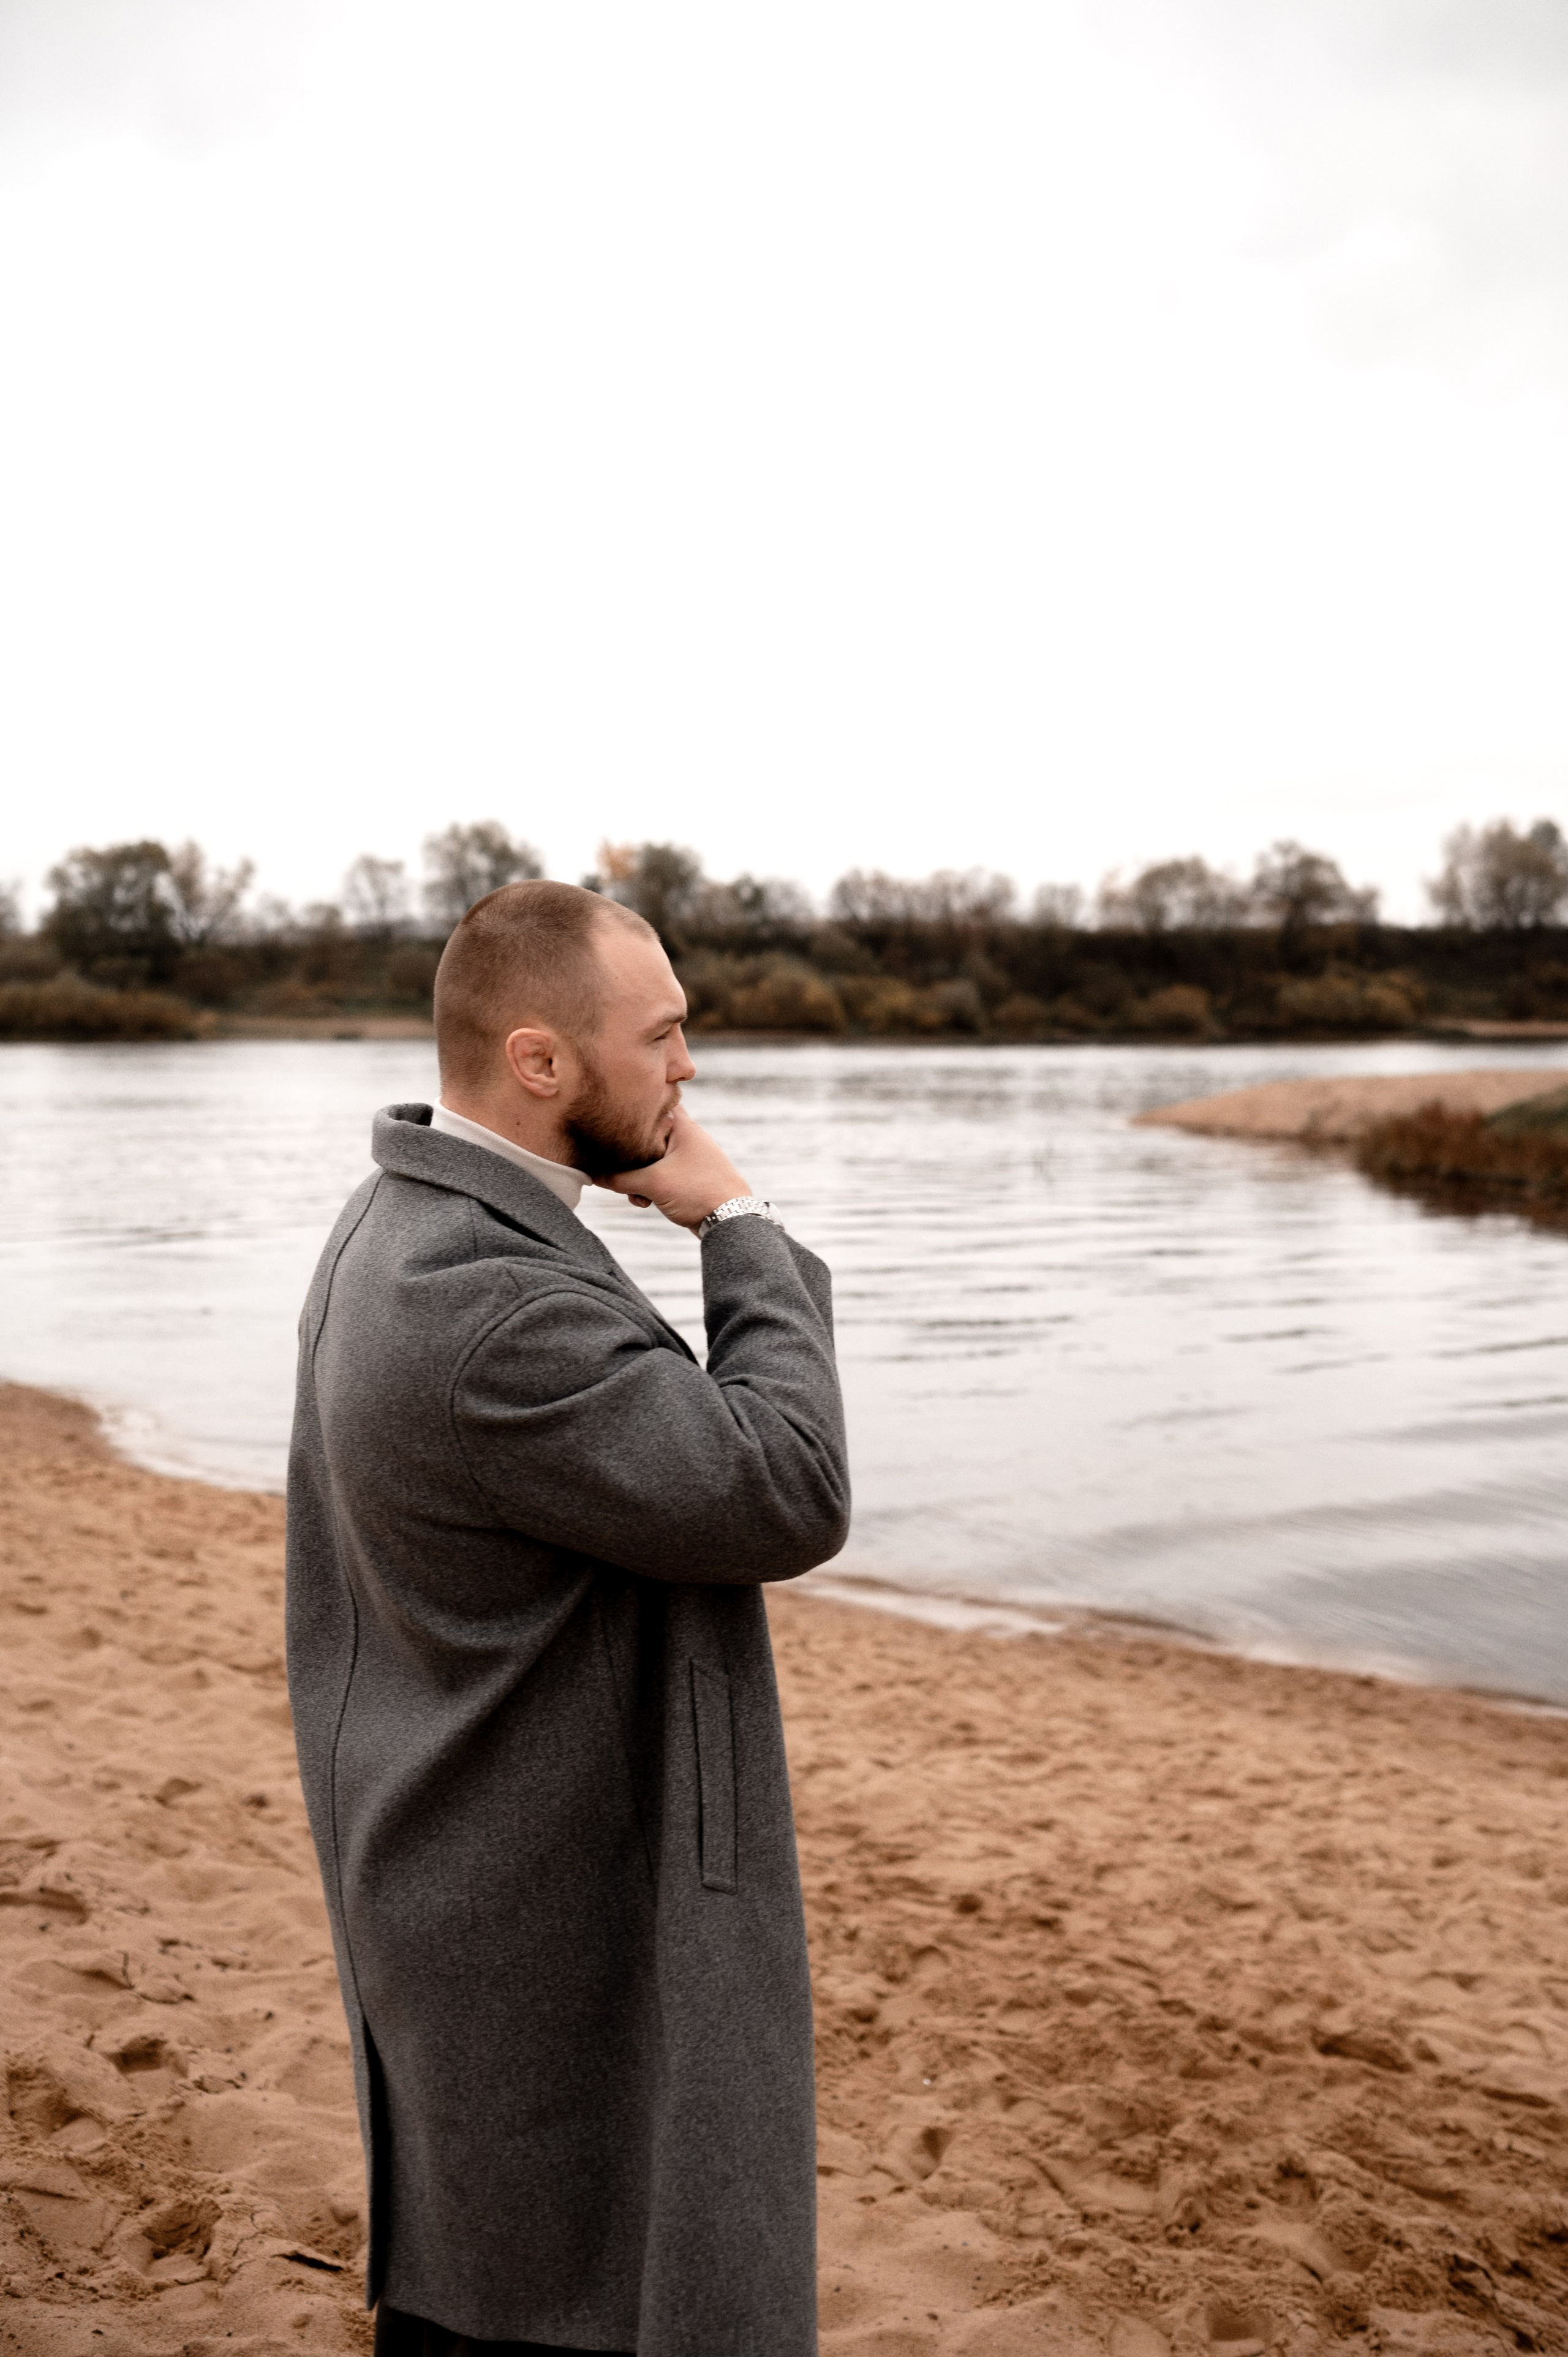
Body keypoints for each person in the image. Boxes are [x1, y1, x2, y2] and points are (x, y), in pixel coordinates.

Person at [285, 880, 851, 2357]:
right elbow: (784, 1485)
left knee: (494, 2283)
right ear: (541, 1063)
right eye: (660, 1037)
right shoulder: (488, 1307)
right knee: (549, 2298)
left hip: (465, 1865)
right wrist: (740, 1223)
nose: (686, 1071)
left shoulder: (398, 1225)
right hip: (534, 1918)